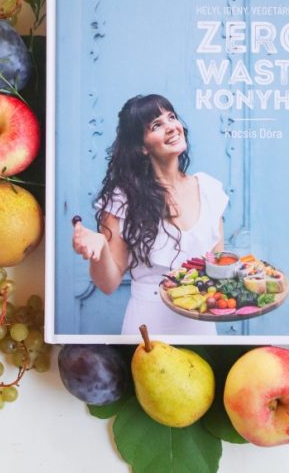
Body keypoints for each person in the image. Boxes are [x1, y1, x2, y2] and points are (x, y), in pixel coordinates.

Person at [72, 94, 229, 335]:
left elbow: (218, 269)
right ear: (142, 147)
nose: (171, 127)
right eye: (156, 125)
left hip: (201, 324)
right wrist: (100, 248)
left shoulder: (209, 189)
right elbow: (108, 284)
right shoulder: (123, 199)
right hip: (147, 326)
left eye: (171, 117)